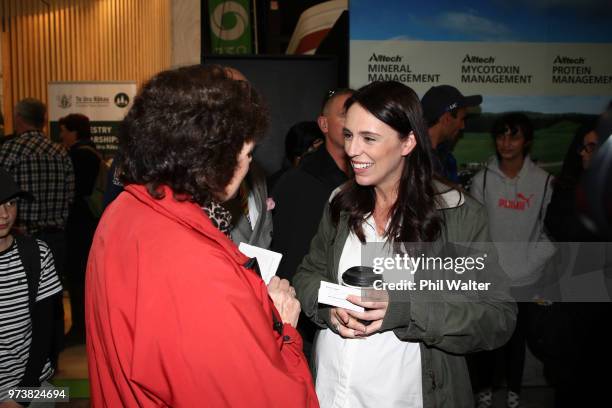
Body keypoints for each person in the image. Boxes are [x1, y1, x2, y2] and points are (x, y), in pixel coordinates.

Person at [85, 64, 318, 407]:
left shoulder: (122, 214)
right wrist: (284, 331)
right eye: (248, 153)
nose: (249, 164)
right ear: (216, 158)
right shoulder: (199, 268)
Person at [293, 81, 516, 408]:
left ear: (408, 141)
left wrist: (405, 309)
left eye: (369, 138)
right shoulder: (341, 203)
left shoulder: (455, 214)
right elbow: (308, 275)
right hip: (331, 394)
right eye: (350, 135)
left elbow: (496, 316)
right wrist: (329, 306)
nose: (353, 149)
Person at [469, 113, 554, 408]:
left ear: (526, 140)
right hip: (490, 277)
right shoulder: (482, 180)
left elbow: (548, 232)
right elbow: (475, 232)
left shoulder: (543, 182)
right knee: (487, 337)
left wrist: (532, 263)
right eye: (501, 136)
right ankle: (484, 389)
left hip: (526, 278)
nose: (506, 143)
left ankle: (515, 391)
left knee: (517, 339)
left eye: (514, 136)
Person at [544, 119, 612, 407]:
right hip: (578, 303)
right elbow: (560, 228)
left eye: (593, 147)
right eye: (583, 147)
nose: (585, 153)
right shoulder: (568, 191)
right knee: (573, 381)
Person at [272, 89, 354, 281]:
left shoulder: (371, 178)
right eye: (345, 115)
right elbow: (291, 259)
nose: (354, 123)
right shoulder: (300, 181)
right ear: (324, 124)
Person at [0, 168, 63, 407]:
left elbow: (44, 331)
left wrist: (21, 397)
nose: (5, 214)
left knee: (57, 395)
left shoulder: (36, 253)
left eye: (11, 203)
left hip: (32, 385)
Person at [0, 98, 75, 277]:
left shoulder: (10, 150)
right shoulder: (60, 152)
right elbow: (70, 196)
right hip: (56, 237)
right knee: (52, 297)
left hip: (21, 237)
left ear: (18, 118)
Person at [59, 113, 101, 345]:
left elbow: (77, 192)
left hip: (79, 225)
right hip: (91, 224)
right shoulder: (93, 152)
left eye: (63, 130)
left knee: (77, 278)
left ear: (73, 132)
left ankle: (79, 328)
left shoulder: (77, 156)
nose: (61, 135)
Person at [421, 85, 482, 183]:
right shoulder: (414, 162)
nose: (462, 126)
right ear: (447, 119)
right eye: (462, 119)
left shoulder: (446, 159)